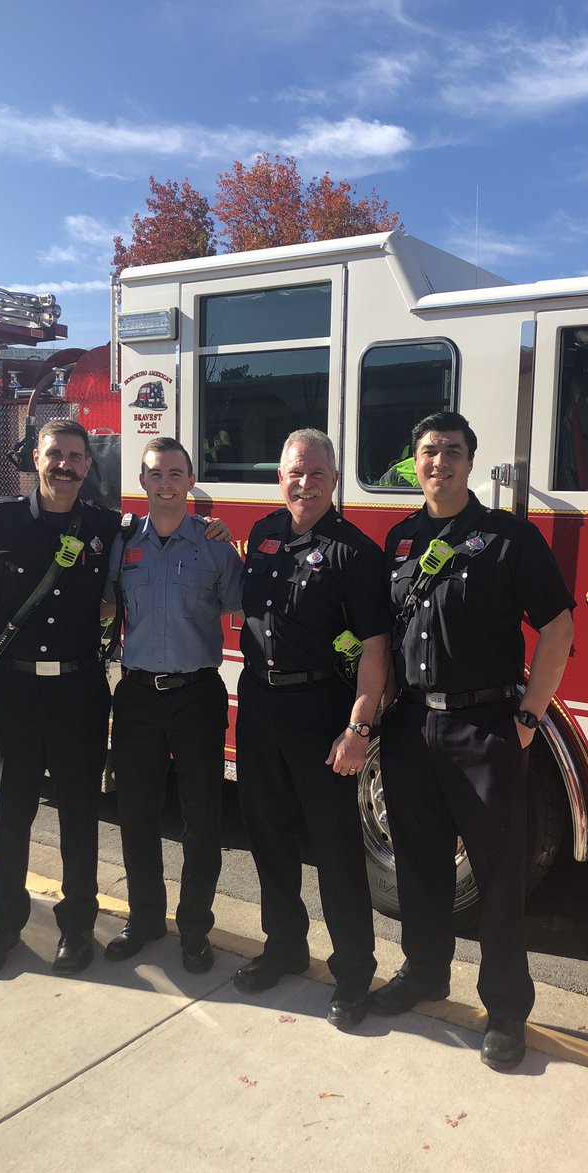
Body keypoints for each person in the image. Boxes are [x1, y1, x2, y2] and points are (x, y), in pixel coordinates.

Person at [371, 412, 575, 1071]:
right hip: (409, 727)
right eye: (428, 452)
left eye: (452, 452)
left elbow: (559, 628)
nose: (439, 463)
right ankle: (424, 973)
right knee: (420, 864)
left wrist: (529, 717)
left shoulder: (509, 539)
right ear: (414, 462)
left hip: (483, 728)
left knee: (497, 874)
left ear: (469, 462)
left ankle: (507, 1008)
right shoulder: (400, 541)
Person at [0, 419, 123, 978]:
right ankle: (3, 926)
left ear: (88, 466)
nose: (65, 466)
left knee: (79, 815)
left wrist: (213, 531)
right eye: (55, 455)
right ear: (34, 458)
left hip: (79, 693)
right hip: (12, 694)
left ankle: (76, 928)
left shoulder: (107, 526)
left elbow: (164, 534)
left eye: (76, 457)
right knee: (12, 817)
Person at [234, 429, 389, 1028]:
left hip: (320, 709)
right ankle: (284, 947)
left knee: (335, 849)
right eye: (295, 472)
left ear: (334, 478)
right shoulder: (263, 534)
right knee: (268, 836)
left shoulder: (355, 552)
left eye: (317, 473)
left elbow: (376, 648)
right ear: (281, 476)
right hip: (259, 706)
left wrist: (359, 727)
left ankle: (353, 974)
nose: (305, 482)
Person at [101, 437, 243, 972]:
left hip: (198, 697)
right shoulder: (121, 544)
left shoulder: (213, 547)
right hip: (137, 694)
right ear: (143, 482)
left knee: (202, 819)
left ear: (189, 482)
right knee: (135, 814)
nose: (166, 483)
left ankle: (195, 929)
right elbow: (103, 607)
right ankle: (143, 919)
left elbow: (247, 605)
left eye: (175, 474)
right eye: (156, 474)